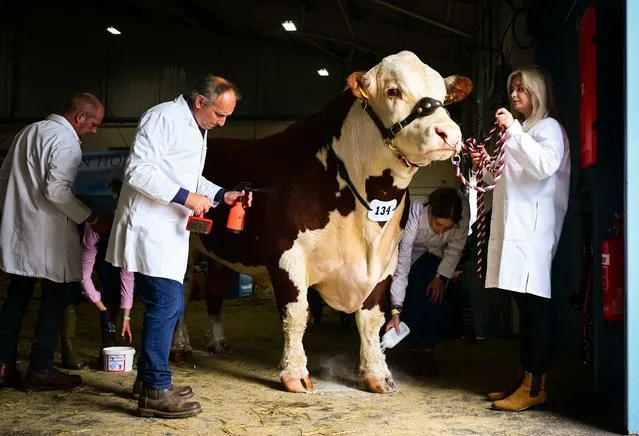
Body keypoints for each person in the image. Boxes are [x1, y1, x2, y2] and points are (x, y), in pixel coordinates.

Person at [106, 74, 251, 419]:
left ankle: (147, 381)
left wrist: (219, 194)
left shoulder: (195, 127)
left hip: (167, 229)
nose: (223, 122)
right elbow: (138, 171)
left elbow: (188, 175)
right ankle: (156, 387)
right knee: (168, 304)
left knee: (167, 304)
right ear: (200, 101)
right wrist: (188, 197)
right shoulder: (163, 118)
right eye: (220, 114)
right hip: (149, 228)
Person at [472, 66, 570, 412]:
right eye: (513, 89)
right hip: (515, 231)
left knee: (537, 308)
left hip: (533, 232)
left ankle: (535, 386)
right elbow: (502, 175)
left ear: (537, 93)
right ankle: (522, 379)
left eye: (522, 89)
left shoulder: (548, 130)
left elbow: (543, 165)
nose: (514, 95)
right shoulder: (521, 130)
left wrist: (512, 131)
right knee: (526, 308)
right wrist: (482, 163)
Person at [0, 93, 109, 391]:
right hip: (48, 235)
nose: (94, 131)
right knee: (55, 298)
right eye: (94, 124)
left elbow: (4, 176)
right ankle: (40, 370)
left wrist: (13, 212)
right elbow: (57, 192)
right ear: (79, 117)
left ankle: (3, 365)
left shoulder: (28, 132)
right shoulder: (66, 141)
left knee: (17, 296)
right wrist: (91, 217)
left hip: (20, 230)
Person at [385, 187, 470, 376]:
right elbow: (403, 266)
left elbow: (454, 249)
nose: (440, 231)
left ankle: (429, 350)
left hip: (439, 256)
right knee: (415, 293)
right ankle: (413, 349)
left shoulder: (463, 211)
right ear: (430, 211)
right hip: (414, 254)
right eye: (437, 224)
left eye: (447, 228)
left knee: (435, 298)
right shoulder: (415, 212)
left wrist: (440, 278)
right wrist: (395, 309)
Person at [80, 178, 134, 368]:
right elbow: (84, 276)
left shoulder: (128, 230)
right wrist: (101, 310)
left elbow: (128, 274)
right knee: (109, 291)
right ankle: (106, 348)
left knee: (122, 287)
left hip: (122, 251)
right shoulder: (94, 228)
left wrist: (126, 315)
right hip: (102, 253)